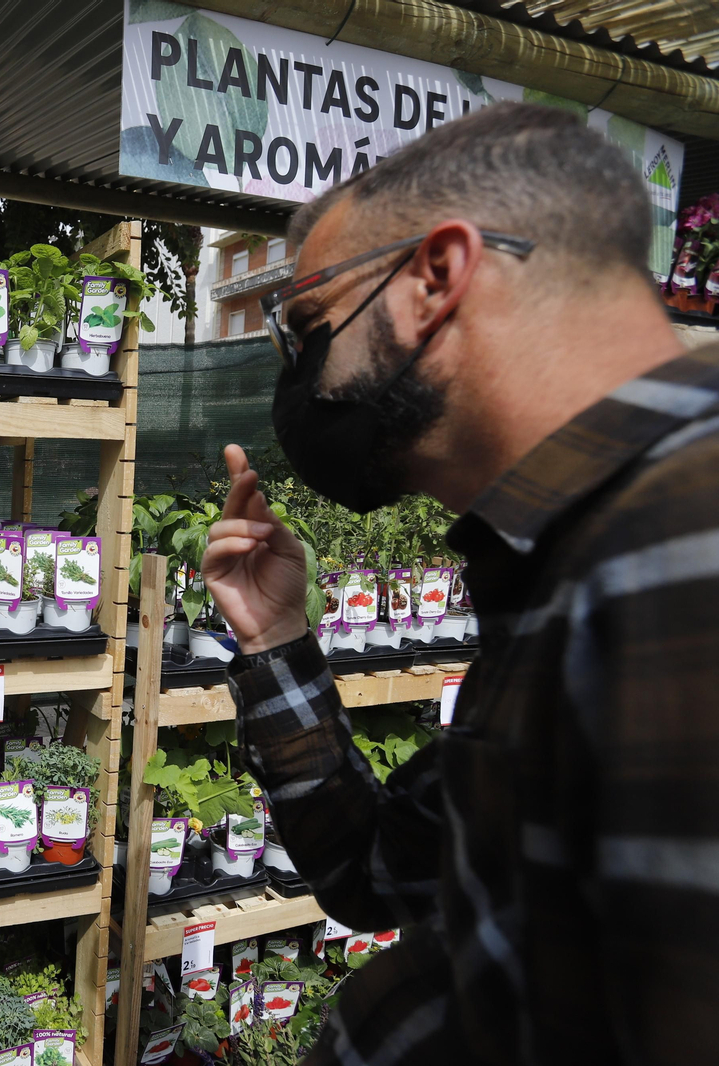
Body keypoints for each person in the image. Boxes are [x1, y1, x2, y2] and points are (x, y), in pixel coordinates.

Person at [202, 102, 713, 1064]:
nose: (303, 373)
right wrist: (274, 640)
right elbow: (377, 871)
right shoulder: (575, 557)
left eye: (311, 323)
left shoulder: (684, 549)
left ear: (435, 277)